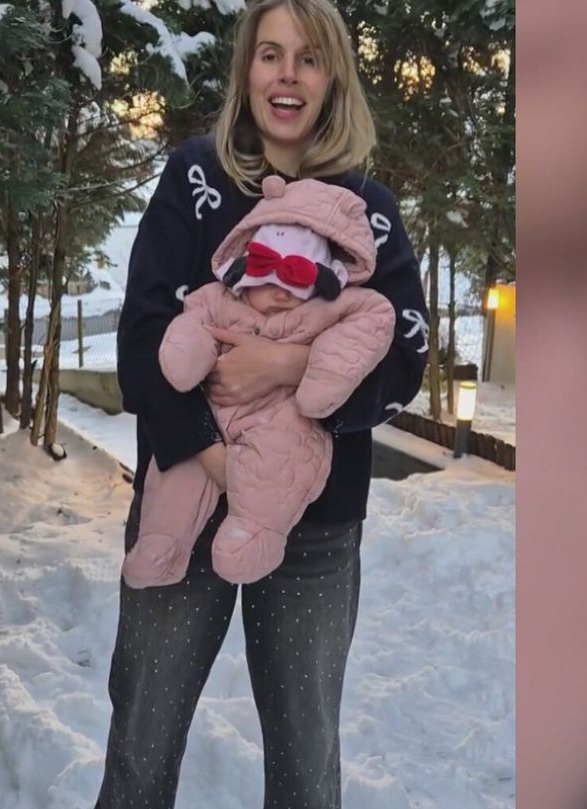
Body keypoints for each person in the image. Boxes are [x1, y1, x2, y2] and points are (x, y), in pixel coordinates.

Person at [73, 0, 427, 809]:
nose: (287, 76)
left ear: (333, 76)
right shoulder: (194, 177)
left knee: (306, 755)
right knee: (144, 729)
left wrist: (291, 367)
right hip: (185, 498)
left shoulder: (369, 209)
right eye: (270, 55)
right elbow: (146, 336)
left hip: (315, 523)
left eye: (308, 58)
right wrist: (213, 456)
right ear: (247, 70)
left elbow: (404, 355)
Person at [121, 176, 395, 588]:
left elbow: (374, 323)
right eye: (269, 278)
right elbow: (183, 324)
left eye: (297, 279)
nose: (281, 294)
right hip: (203, 419)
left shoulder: (335, 304)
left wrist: (314, 372)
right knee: (177, 476)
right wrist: (188, 356)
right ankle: (161, 544)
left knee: (280, 459)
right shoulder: (219, 295)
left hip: (282, 418)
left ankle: (254, 534)